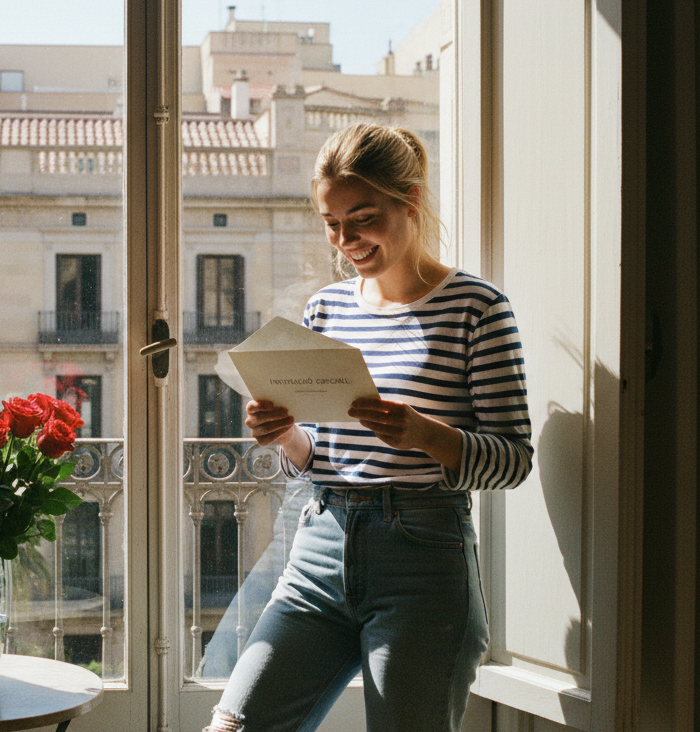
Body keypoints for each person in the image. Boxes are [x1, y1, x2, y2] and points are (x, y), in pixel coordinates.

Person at [204, 123, 533, 732]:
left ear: (410, 201)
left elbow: (514, 460)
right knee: (233, 727)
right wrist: (283, 435)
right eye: (331, 223)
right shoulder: (325, 309)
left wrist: (424, 434)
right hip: (319, 545)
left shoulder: (477, 309)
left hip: (424, 558)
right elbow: (319, 456)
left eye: (362, 218)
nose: (345, 239)